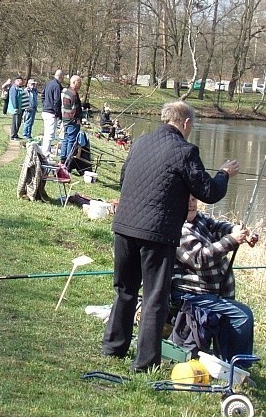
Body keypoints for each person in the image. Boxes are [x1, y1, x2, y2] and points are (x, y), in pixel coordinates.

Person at [101, 101, 240, 373]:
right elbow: (208, 192)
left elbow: (123, 179)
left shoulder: (140, 143)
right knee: (155, 297)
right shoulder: (185, 151)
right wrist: (223, 174)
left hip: (125, 227)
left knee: (125, 290)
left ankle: (113, 347)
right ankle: (144, 363)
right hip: (157, 233)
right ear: (186, 123)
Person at [171, 195, 258, 362]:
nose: (191, 205)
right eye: (186, 200)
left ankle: (226, 361)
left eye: (194, 200)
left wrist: (238, 232)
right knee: (242, 315)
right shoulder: (178, 228)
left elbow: (218, 226)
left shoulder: (199, 219)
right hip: (189, 293)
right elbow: (199, 259)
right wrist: (231, 241)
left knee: (234, 315)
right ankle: (237, 367)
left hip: (209, 293)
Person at [59, 75, 83, 165]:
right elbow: (75, 109)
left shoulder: (67, 92)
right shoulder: (73, 94)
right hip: (72, 121)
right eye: (79, 82)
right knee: (71, 140)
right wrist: (78, 119)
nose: (80, 84)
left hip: (65, 119)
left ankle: (62, 158)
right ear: (74, 82)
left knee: (66, 139)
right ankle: (68, 161)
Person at [40, 69, 64, 158]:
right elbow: (57, 100)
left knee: (46, 133)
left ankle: (44, 151)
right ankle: (45, 153)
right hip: (51, 113)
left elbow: (42, 95)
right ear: (61, 77)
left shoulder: (49, 83)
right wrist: (57, 113)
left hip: (45, 111)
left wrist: (45, 105)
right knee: (49, 134)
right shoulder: (57, 86)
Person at [7, 75, 24, 140]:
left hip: (20, 108)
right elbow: (14, 98)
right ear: (17, 80)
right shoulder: (13, 88)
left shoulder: (18, 88)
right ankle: (12, 135)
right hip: (15, 108)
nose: (22, 82)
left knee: (19, 122)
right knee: (15, 122)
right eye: (21, 81)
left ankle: (16, 134)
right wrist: (15, 107)